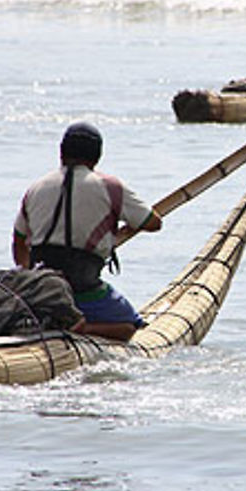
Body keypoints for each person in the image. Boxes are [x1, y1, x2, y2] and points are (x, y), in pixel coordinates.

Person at [12, 122, 162, 341]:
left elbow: (19, 241)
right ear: (97, 157)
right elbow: (153, 223)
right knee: (130, 325)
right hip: (83, 288)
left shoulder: (36, 187)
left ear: (61, 153)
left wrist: (29, 278)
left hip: (43, 289)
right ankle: (85, 328)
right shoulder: (111, 187)